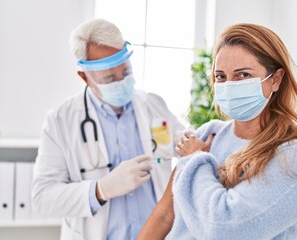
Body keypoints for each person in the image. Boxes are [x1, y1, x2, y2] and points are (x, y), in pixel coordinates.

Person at [138, 23, 297, 240]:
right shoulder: (210, 133)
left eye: (243, 75)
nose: (229, 86)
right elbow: (165, 214)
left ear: (275, 79)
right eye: (221, 77)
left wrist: (196, 158)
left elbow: (226, 231)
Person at [32, 18, 184, 240]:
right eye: (110, 78)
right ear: (84, 77)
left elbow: (182, 142)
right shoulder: (60, 121)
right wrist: (101, 190)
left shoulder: (153, 105)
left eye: (125, 72)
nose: (121, 82)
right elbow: (43, 198)